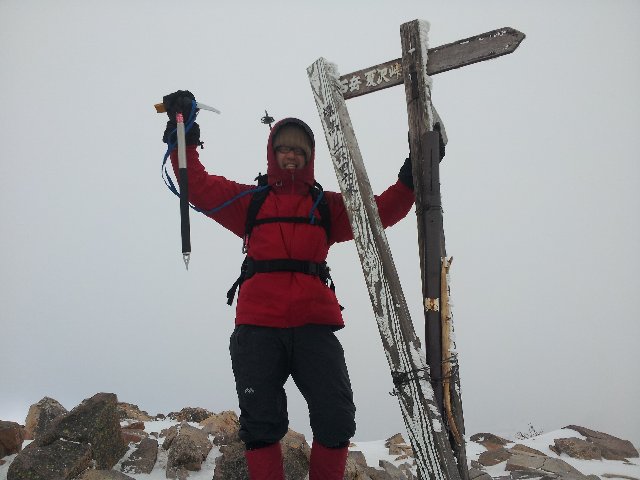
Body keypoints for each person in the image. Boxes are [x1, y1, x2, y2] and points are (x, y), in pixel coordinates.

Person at [162, 90, 418, 480]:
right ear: (273, 152)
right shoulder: (251, 201)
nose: (292, 155)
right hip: (258, 326)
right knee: (260, 422)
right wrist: (186, 136)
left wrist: (409, 181)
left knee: (335, 416)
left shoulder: (326, 207)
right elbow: (195, 184)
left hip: (313, 325)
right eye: (284, 148)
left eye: (300, 149)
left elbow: (377, 213)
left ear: (310, 155)